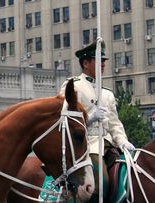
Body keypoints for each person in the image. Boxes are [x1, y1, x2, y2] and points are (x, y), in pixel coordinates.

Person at [60, 41, 134, 202]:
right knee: (100, 184)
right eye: (98, 60)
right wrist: (90, 117)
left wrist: (123, 141)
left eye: (104, 61)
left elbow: (114, 124)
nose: (103, 64)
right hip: (88, 144)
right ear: (85, 63)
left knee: (132, 175)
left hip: (109, 145)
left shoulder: (107, 93)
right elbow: (65, 120)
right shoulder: (74, 86)